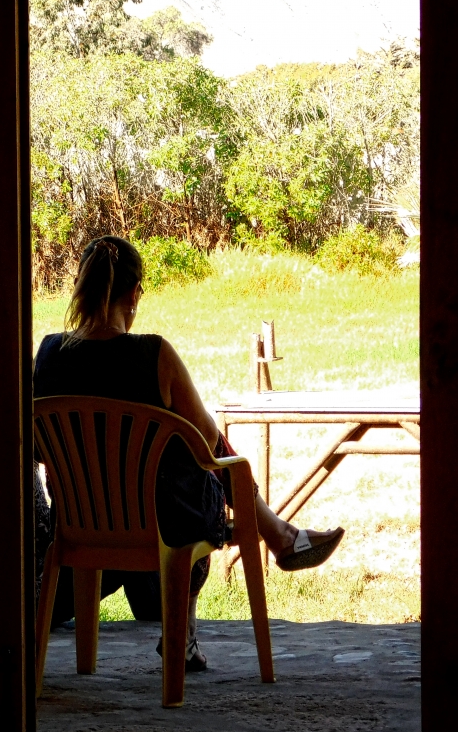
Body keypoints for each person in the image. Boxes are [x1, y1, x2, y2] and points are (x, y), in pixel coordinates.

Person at [34, 235, 344, 670]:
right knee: (212, 457)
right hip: (162, 523)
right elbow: (206, 438)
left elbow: (36, 445)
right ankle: (277, 538)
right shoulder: (153, 353)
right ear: (135, 292)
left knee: (182, 458)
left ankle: (278, 538)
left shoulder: (48, 353)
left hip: (79, 524)